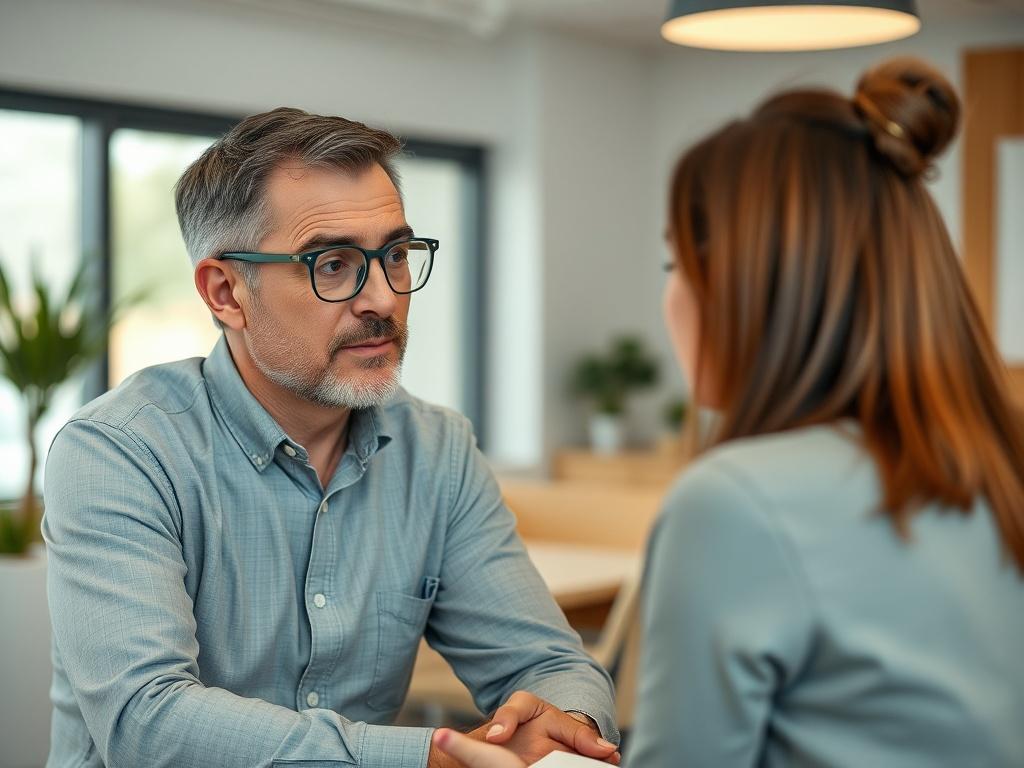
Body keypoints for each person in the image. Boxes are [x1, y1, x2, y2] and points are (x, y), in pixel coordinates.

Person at [436, 56, 1024, 768]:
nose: (671, 297)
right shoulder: (994, 468)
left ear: (742, 284)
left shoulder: (739, 502)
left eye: (673, 264)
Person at [41, 108, 621, 768]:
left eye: (396, 256)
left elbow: (547, 661)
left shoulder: (438, 450)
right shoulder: (119, 452)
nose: (382, 297)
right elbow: (149, 722)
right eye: (334, 264)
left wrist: (561, 721)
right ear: (226, 292)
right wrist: (425, 760)